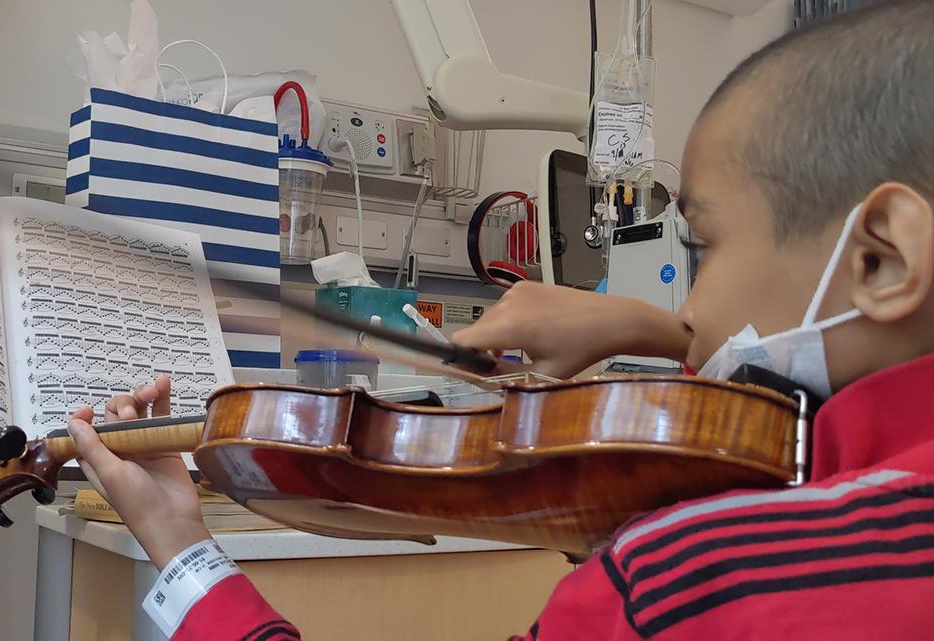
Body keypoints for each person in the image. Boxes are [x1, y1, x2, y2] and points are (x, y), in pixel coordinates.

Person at [66, 2, 934, 639]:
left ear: (885, 258)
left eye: (699, 247)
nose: (690, 311)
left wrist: (184, 550)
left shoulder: (695, 580)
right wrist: (644, 329)